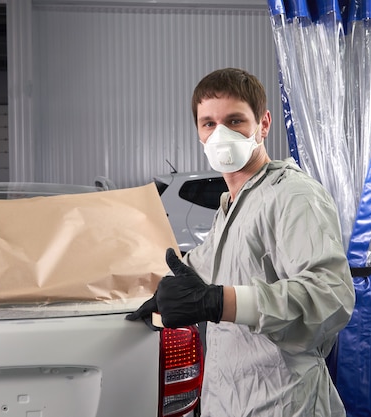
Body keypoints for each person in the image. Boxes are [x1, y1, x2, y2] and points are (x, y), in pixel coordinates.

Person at [127, 68, 355, 416]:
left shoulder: (292, 195)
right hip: (230, 399)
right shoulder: (232, 205)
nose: (220, 134)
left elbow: (332, 297)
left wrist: (219, 302)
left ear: (263, 125)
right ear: (199, 133)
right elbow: (203, 266)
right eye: (209, 124)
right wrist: (152, 287)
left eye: (235, 121)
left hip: (286, 403)